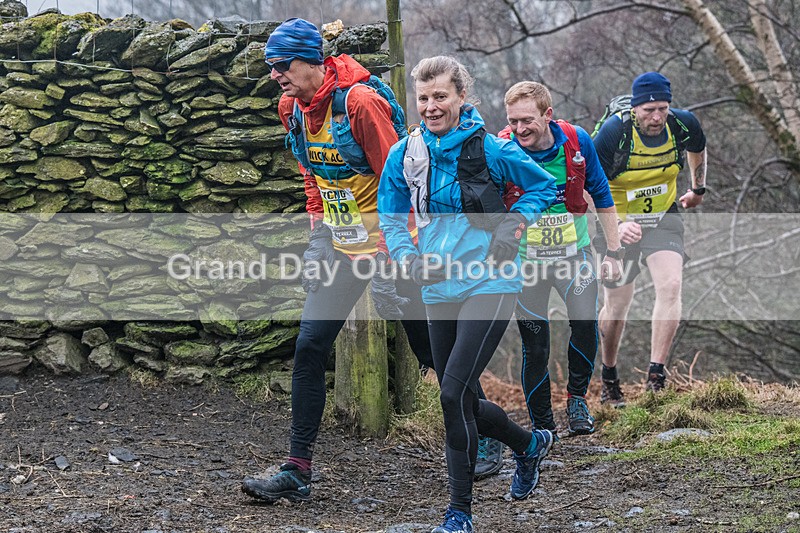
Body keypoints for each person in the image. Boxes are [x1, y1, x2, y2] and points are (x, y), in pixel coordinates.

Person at [240, 17, 435, 504]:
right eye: (271, 68)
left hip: (391, 245)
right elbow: (312, 175)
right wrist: (318, 236)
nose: (275, 76)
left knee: (433, 352)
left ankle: (490, 441)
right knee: (309, 347)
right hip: (344, 249)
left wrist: (394, 255)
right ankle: (297, 469)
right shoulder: (291, 107)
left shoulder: (361, 103)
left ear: (311, 61)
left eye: (281, 66)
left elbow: (403, 182)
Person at [379, 56, 558, 533]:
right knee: (457, 397)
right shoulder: (405, 153)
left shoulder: (491, 148)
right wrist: (406, 257)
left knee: (453, 391)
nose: (432, 106)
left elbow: (545, 186)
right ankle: (528, 444)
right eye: (424, 98)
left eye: (441, 96)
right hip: (438, 282)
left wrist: (514, 225)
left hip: (490, 279)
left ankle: (459, 513)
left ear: (461, 96)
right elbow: (391, 214)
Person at [499, 81, 623, 435]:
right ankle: (541, 424)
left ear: (547, 115)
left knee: (584, 324)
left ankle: (577, 400)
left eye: (527, 120)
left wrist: (613, 251)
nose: (520, 129)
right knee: (535, 343)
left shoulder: (576, 141)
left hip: (574, 254)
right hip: (527, 262)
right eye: (513, 121)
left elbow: (601, 194)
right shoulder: (503, 148)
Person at [592, 72, 707, 402]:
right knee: (618, 302)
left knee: (671, 285)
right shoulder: (614, 132)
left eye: (662, 108)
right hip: (618, 220)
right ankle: (609, 375)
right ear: (635, 109)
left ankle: (656, 377)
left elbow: (698, 148)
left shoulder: (682, 124)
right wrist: (618, 225)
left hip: (662, 217)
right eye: (648, 110)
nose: (656, 117)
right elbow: (587, 186)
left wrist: (697, 188)